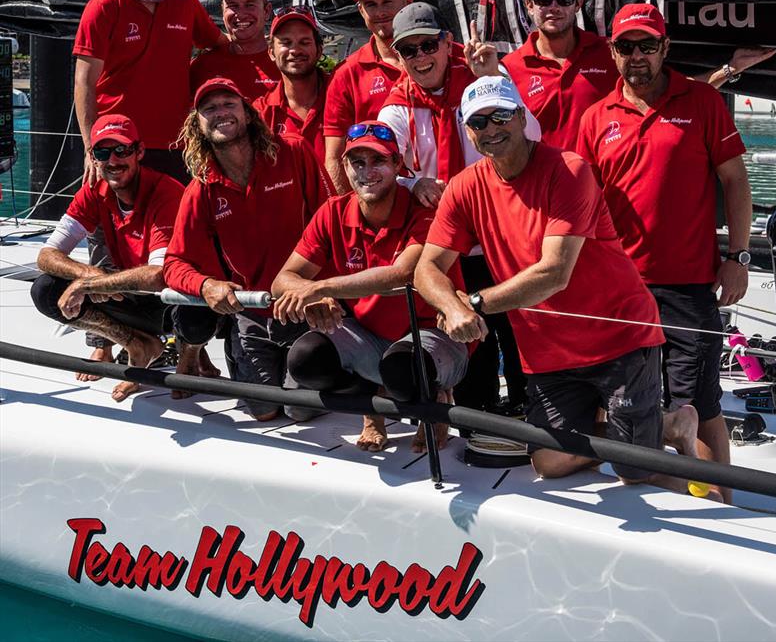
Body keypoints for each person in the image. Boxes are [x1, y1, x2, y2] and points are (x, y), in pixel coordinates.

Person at [414, 75, 702, 492]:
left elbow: (554, 272)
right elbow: (426, 269)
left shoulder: (569, 170)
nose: (492, 129)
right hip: (548, 352)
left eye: (500, 116)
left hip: (617, 336)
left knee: (634, 472)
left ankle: (657, 432)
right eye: (479, 123)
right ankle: (660, 427)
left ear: (521, 115)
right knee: (548, 463)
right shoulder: (464, 186)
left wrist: (473, 303)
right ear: (469, 133)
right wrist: (452, 307)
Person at [577, 3, 753, 501]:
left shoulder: (700, 101)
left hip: (688, 283)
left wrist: (738, 258)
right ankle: (671, 505)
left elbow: (735, 181)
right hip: (619, 289)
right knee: (626, 403)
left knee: (701, 403)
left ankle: (724, 507)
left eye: (647, 46)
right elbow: (582, 202)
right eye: (626, 46)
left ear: (665, 49)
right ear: (612, 52)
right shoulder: (595, 118)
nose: (637, 56)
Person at [272, 121, 468, 452]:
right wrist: (309, 296)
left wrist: (321, 289)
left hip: (434, 333)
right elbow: (283, 280)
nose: (366, 172)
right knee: (305, 359)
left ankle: (432, 406)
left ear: (397, 165)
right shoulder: (333, 211)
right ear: (344, 166)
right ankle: (372, 405)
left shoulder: (424, 210)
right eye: (357, 162)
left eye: (378, 161)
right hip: (371, 337)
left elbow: (404, 273)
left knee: (403, 368)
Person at [378, 1, 529, 415]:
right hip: (450, 244)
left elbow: (529, 133)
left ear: (448, 44)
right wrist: (413, 181)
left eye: (429, 45)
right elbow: (377, 162)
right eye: (409, 50)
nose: (421, 58)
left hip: (501, 234)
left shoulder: (482, 84)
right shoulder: (397, 106)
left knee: (517, 328)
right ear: (398, 56)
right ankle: (477, 417)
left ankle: (526, 410)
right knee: (466, 329)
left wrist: (492, 77)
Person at [163, 77, 331, 419]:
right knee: (265, 411)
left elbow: (333, 225)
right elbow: (174, 262)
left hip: (302, 306)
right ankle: (242, 351)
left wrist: (326, 291)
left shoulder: (294, 152)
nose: (220, 113)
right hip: (252, 311)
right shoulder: (202, 188)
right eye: (209, 108)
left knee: (299, 411)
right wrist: (206, 285)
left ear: (248, 114)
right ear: (198, 124)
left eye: (229, 104)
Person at [32, 113, 218, 402]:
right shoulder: (94, 191)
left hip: (172, 297)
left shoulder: (165, 193)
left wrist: (90, 285)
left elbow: (159, 274)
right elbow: (47, 254)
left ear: (139, 152)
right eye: (103, 152)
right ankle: (136, 344)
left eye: (122, 150)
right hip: (132, 293)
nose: (114, 160)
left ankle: (190, 352)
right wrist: (88, 275)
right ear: (93, 158)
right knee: (45, 290)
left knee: (194, 309)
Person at [502, 0, 776, 152]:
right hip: (541, 199)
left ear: (578, 3)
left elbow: (675, 93)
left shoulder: (612, 52)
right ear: (529, 4)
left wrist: (731, 68)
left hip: (603, 196)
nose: (553, 7)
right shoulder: (509, 69)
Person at [73, 0, 225, 183]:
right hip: (117, 146)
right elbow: (84, 81)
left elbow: (220, 47)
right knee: (116, 225)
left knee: (174, 224)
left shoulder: (185, 3)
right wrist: (90, 150)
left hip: (175, 144)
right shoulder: (104, 6)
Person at [323, 0, 411, 192]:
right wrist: (346, 212)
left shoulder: (442, 57)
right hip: (382, 205)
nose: (381, 11)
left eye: (388, 0)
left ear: (408, 1)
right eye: (371, 5)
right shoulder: (347, 74)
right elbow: (334, 158)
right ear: (361, 11)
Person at [252, 10, 329, 167]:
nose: (295, 50)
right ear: (271, 52)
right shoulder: (261, 113)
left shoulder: (343, 92)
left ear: (319, 50)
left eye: (304, 42)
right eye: (286, 43)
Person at [190, 0, 279, 101]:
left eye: (249, 5)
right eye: (233, 6)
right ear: (222, 11)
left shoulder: (284, 63)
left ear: (266, 11)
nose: (241, 14)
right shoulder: (202, 66)